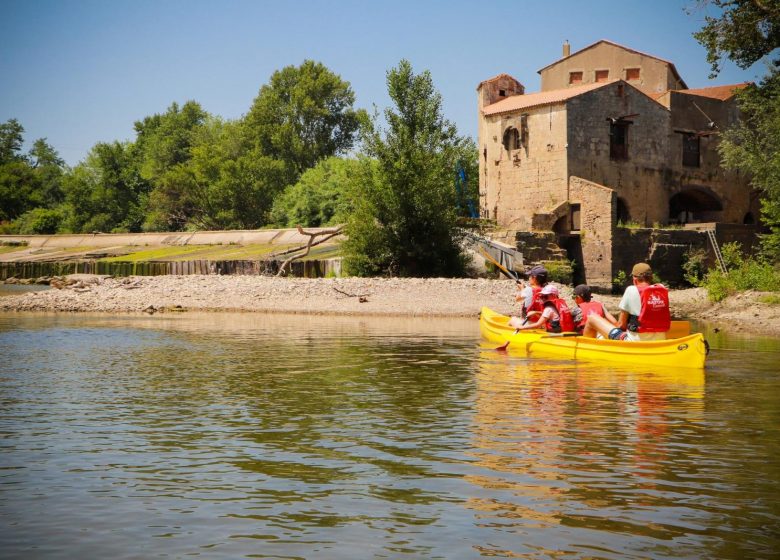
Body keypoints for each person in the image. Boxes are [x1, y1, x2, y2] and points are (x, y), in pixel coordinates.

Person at [584, 262, 670, 341]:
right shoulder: (661, 289)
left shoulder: (631, 290)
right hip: (660, 340)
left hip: (634, 342)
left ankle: (587, 348)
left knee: (592, 318)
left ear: (634, 279)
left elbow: (621, 325)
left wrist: (605, 329)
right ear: (651, 277)